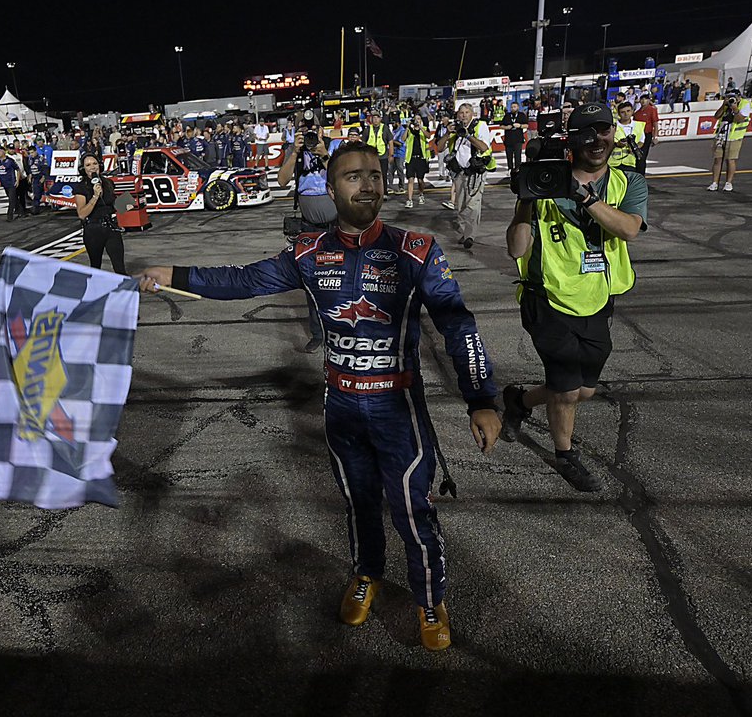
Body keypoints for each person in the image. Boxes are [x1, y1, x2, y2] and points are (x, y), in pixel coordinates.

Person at [137, 141, 501, 651]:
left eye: (374, 174)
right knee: (358, 502)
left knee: (412, 510)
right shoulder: (309, 253)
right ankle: (366, 575)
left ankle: (429, 598)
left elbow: (458, 325)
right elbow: (243, 281)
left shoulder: (416, 249)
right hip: (341, 405)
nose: (368, 184)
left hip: (397, 407)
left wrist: (481, 398)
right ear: (331, 190)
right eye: (353, 176)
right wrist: (171, 274)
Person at [501, 103, 648, 491]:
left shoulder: (627, 182)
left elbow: (630, 229)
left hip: (598, 298)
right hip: (546, 298)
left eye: (604, 131)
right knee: (566, 389)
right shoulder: (543, 185)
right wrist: (525, 202)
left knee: (584, 388)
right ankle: (565, 456)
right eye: (586, 132)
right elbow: (516, 250)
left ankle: (519, 401)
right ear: (571, 140)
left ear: (613, 134)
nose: (596, 140)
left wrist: (584, 198)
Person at [278, 125, 334, 353]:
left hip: (336, 227)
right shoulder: (296, 153)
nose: (311, 138)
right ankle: (318, 334)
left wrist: (324, 154)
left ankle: (340, 331)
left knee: (339, 280)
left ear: (322, 132)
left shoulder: (332, 147)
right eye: (306, 133)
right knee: (312, 281)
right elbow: (282, 181)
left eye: (314, 132)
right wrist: (293, 153)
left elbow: (342, 178)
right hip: (309, 229)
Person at [435, 104, 494, 249]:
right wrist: (448, 133)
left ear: (472, 113)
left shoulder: (480, 125)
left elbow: (484, 147)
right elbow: (440, 147)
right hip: (459, 172)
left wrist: (468, 135)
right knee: (460, 205)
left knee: (473, 204)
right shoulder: (454, 128)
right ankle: (464, 232)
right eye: (461, 113)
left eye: (467, 112)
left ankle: (470, 236)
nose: (464, 115)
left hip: (475, 171)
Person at [73, 153, 126, 274]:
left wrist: (130, 202)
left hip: (111, 227)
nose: (92, 167)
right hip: (93, 230)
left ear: (100, 165)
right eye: (88, 165)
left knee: (120, 268)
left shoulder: (108, 183)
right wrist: (95, 196)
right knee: (96, 267)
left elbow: (114, 206)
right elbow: (81, 214)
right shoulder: (81, 187)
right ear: (83, 169)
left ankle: (126, 292)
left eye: (95, 163)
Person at [708, 88, 752, 192]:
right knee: (717, 159)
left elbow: (739, 119)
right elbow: (716, 116)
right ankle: (714, 183)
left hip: (734, 137)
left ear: (739, 97)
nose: (730, 99)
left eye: (733, 97)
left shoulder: (745, 104)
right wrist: (724, 105)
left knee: (730, 160)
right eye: (728, 97)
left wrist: (735, 108)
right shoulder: (726, 105)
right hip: (721, 135)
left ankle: (728, 183)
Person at [402, 114, 431, 209]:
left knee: (420, 180)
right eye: (415, 119)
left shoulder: (425, 128)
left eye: (418, 119)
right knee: (410, 179)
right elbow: (403, 139)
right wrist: (407, 128)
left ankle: (421, 193)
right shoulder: (410, 130)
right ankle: (409, 200)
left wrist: (421, 127)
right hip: (410, 158)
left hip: (421, 158)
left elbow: (428, 136)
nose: (416, 121)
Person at [609, 101, 646, 173]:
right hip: (613, 163)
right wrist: (617, 144)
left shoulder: (638, 125)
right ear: (619, 114)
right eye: (623, 112)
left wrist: (635, 147)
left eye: (628, 111)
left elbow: (641, 141)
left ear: (632, 111)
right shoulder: (613, 126)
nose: (626, 114)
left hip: (630, 162)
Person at [362, 111, 391, 188]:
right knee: (370, 175)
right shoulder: (368, 129)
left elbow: (390, 141)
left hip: (383, 156)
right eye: (373, 118)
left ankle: (384, 192)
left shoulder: (385, 128)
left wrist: (391, 154)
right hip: (371, 157)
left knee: (383, 174)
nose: (375, 119)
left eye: (377, 117)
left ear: (380, 119)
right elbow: (363, 143)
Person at [633, 94, 659, 176]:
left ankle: (641, 176)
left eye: (645, 99)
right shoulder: (637, 113)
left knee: (642, 156)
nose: (643, 101)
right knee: (637, 156)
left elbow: (655, 124)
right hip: (638, 135)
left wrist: (655, 137)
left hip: (647, 134)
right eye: (642, 99)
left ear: (648, 100)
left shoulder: (651, 110)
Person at [500, 101, 527, 179]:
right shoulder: (507, 115)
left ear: (518, 107)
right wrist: (506, 127)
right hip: (508, 139)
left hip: (518, 139)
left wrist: (520, 125)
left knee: (518, 156)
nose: (513, 108)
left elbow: (526, 125)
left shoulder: (521, 115)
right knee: (509, 156)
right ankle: (510, 169)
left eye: (514, 107)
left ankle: (518, 169)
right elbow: (501, 125)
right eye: (512, 107)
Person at [0, 149, 22, 220]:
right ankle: (20, 211)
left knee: (11, 200)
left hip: (11, 183)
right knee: (14, 198)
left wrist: (17, 180)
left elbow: (18, 170)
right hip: (4, 183)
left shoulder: (10, 161)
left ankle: (9, 216)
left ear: (4, 152)